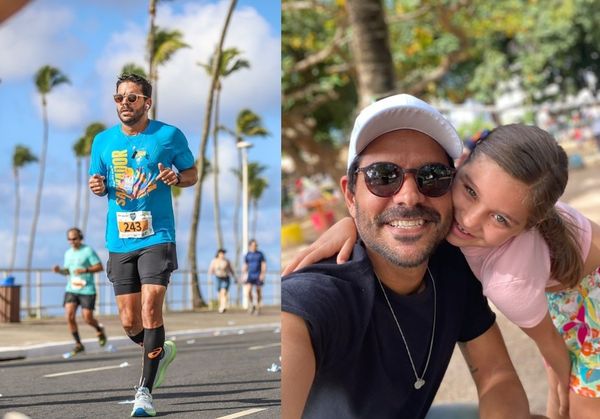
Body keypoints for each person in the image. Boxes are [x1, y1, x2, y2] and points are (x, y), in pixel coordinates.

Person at [286, 120, 600, 418]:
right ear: (350, 194)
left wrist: (563, 396)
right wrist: (351, 223)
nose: (409, 195)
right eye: (383, 176)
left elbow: (515, 367)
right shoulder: (317, 295)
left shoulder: (474, 268)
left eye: (431, 176)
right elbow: (293, 328)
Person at [88, 73, 198, 417]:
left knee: (152, 308)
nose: (125, 103)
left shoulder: (168, 135)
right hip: (119, 239)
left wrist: (177, 178)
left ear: (147, 102)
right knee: (129, 320)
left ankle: (144, 392)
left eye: (132, 98)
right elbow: (100, 180)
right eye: (119, 98)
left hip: (157, 235)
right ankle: (158, 350)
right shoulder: (102, 141)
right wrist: (97, 185)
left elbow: (192, 173)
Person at [52, 227, 106, 357]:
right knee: (69, 316)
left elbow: (100, 267)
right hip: (72, 289)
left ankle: (99, 329)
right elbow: (68, 271)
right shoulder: (68, 253)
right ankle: (78, 344)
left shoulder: (88, 251)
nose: (72, 241)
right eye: (69, 239)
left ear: (80, 238)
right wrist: (59, 270)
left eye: (74, 238)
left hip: (87, 289)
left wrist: (85, 270)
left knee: (87, 318)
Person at [207, 249, 237, 313]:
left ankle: (223, 306)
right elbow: (210, 270)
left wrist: (235, 278)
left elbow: (231, 270)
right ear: (218, 254)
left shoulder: (226, 261)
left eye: (223, 254)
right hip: (218, 278)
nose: (222, 255)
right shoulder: (214, 261)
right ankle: (221, 305)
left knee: (224, 292)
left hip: (225, 278)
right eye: (221, 253)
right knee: (220, 293)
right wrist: (209, 278)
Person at [243, 239, 266, 315]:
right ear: (250, 246)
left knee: (258, 291)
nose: (254, 247)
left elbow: (263, 264)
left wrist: (262, 274)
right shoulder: (248, 255)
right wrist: (244, 274)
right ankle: (252, 304)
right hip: (250, 275)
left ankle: (258, 306)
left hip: (258, 275)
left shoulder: (260, 254)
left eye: (256, 245)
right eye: (253, 245)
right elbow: (245, 265)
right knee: (248, 291)